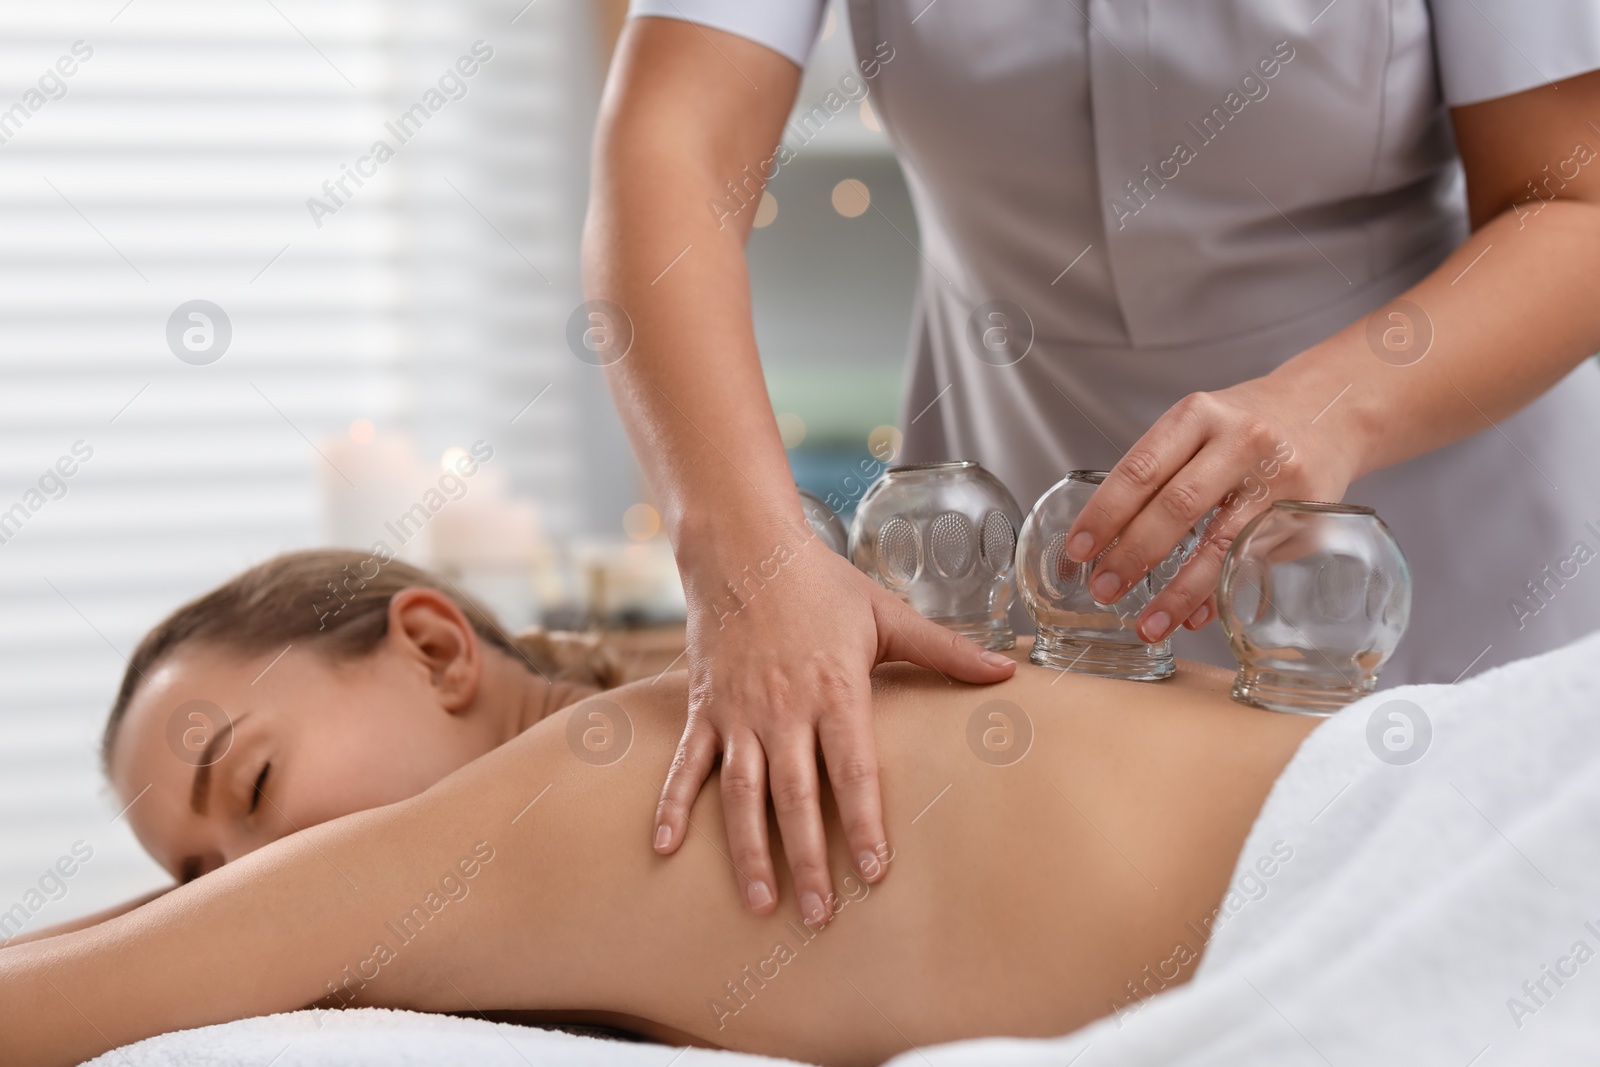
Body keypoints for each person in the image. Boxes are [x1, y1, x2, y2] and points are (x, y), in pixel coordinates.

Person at [584, 1, 1600, 924]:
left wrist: (1333, 404)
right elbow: (676, 142)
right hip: (1020, 552)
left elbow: (1577, 200)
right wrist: (745, 560)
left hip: (1428, 527)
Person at [0, 549, 1320, 1067]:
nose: (252, 870)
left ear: (436, 646)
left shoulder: (598, 781)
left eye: (255, 783)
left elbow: (78, 994)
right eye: (200, 873)